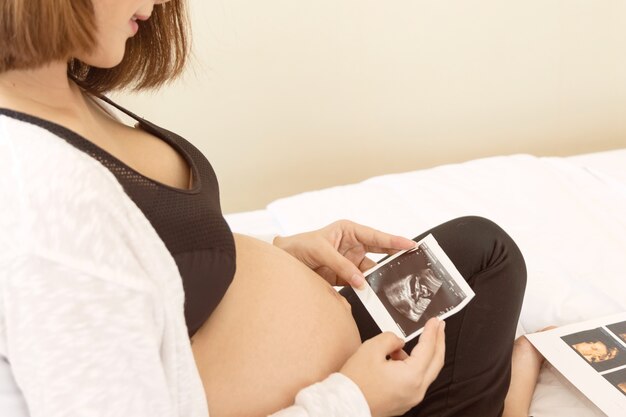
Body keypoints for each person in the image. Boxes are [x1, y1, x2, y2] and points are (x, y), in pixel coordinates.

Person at [0, 1, 526, 416]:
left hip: (328, 377)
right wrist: (354, 401)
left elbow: (142, 249)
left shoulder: (60, 88)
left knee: (483, 254)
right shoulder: (37, 195)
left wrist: (262, 256)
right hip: (330, 400)